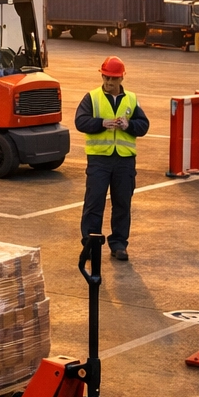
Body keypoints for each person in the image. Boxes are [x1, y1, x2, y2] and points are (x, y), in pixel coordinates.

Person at [75, 56, 149, 261]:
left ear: (121, 79)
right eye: (106, 77)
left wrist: (129, 125)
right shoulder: (92, 97)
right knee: (94, 202)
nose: (108, 82)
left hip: (124, 161)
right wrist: (101, 123)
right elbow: (80, 121)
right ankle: (90, 244)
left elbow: (144, 126)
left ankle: (118, 244)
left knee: (122, 203)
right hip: (99, 159)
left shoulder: (131, 99)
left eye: (113, 79)